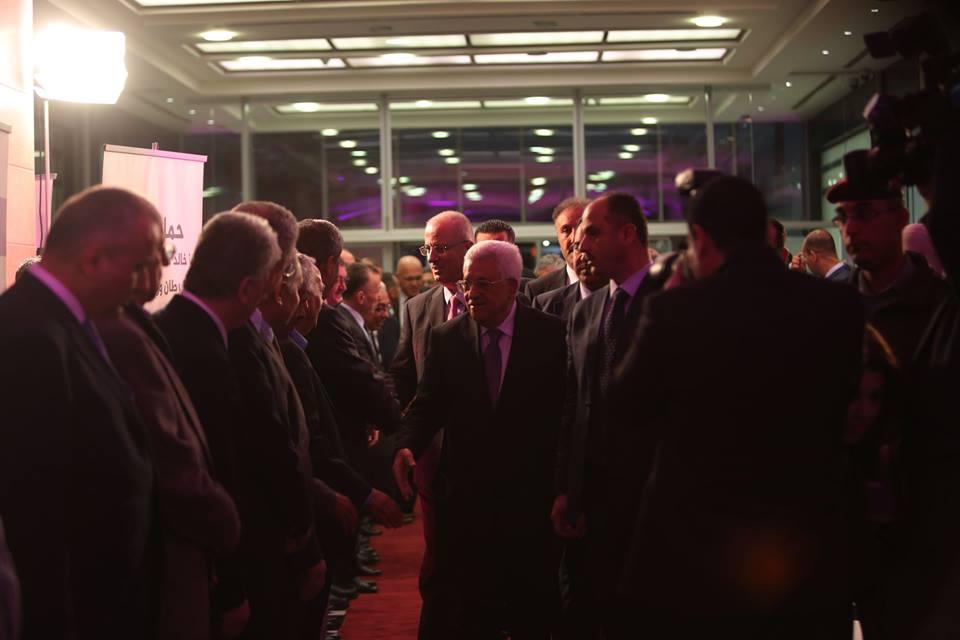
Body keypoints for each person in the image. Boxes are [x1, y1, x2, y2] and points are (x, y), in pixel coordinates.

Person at [611, 176, 864, 639]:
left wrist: (664, 297)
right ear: (765, 231)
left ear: (700, 238)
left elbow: (625, 409)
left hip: (702, 552)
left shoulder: (676, 311)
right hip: (807, 545)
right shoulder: (838, 304)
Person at [0, 186, 159, 639]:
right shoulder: (30, 336)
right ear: (93, 259)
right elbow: (36, 514)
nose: (145, 282)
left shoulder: (65, 323)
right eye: (139, 266)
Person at [393, 240, 565, 639]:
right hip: (468, 506)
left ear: (512, 286)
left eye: (483, 284)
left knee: (533, 615)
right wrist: (406, 445)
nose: (471, 293)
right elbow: (427, 405)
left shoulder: (552, 335)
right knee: (473, 615)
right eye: (468, 283)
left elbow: (564, 415)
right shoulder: (446, 338)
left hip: (531, 506)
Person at [98, 219, 241, 640]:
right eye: (156, 253)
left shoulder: (135, 323)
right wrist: (224, 521)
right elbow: (170, 454)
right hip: (162, 554)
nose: (164, 263)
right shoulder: (119, 333)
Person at [551, 192, 661, 638]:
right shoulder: (586, 311)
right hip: (592, 502)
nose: (580, 244)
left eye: (593, 233)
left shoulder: (674, 302)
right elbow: (573, 404)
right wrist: (565, 488)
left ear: (628, 233)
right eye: (578, 234)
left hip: (655, 499)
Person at [388, 210, 473, 639]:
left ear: (467, 247)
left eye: (441, 248)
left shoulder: (503, 298)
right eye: (428, 248)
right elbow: (404, 376)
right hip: (434, 461)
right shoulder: (417, 307)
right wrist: (402, 437)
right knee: (438, 561)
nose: (432, 258)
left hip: (491, 459)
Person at [828, 149, 949, 365]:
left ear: (901, 218)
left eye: (864, 213)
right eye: (842, 217)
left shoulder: (942, 306)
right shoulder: (832, 307)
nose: (850, 228)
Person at [533, 224, 609, 323]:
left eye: (591, 247)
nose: (583, 256)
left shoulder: (622, 299)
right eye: (576, 247)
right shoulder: (546, 304)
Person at [526, 198, 590, 300]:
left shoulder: (613, 283)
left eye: (581, 228)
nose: (574, 238)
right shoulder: (537, 290)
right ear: (558, 237)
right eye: (566, 230)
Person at [340, 263, 384, 367]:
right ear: (361, 298)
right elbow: (365, 371)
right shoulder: (346, 327)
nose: (379, 297)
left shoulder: (355, 322)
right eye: (377, 291)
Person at [395, 255, 425, 328]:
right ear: (398, 278)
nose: (414, 284)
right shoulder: (390, 300)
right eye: (409, 279)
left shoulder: (432, 299)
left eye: (418, 278)